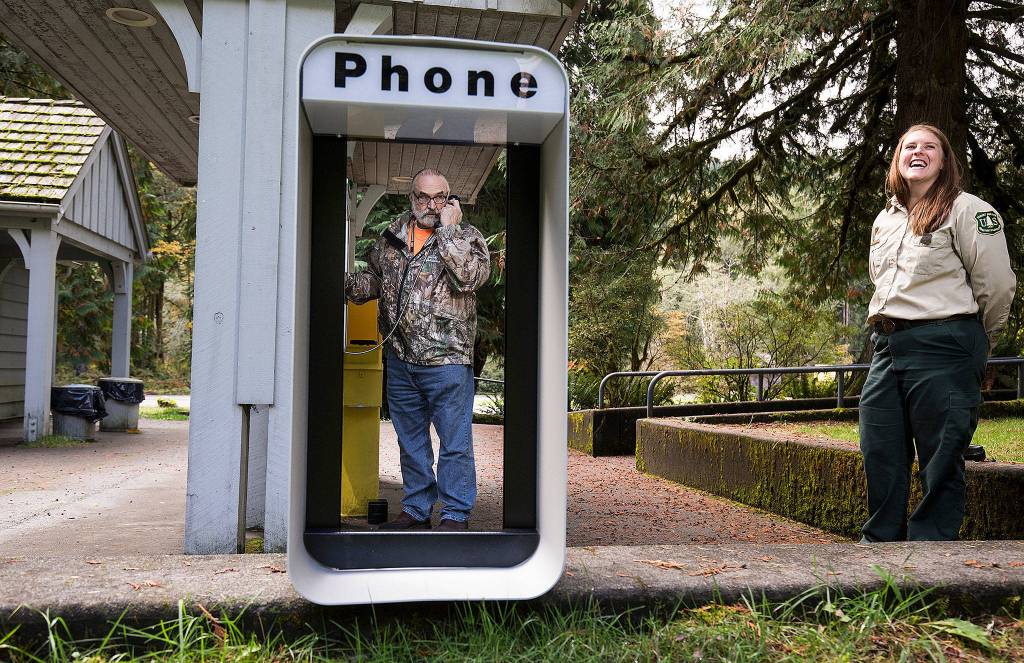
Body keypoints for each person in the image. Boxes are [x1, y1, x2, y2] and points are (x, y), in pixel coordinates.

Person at [860, 123, 1016, 542]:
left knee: (942, 456)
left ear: (944, 161)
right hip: (888, 344)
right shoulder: (886, 218)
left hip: (946, 342)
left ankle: (931, 558)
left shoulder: (968, 210)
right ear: (897, 158)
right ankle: (879, 547)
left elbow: (997, 284)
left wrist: (979, 341)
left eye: (930, 147)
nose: (918, 151)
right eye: (909, 145)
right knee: (879, 448)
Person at [345, 168, 491, 531]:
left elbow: (468, 278)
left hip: (448, 363)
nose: (430, 204)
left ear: (450, 200)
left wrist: (450, 231)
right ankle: (415, 509)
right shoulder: (393, 237)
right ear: (411, 199)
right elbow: (376, 280)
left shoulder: (468, 238)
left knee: (455, 444)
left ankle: (455, 514)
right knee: (411, 442)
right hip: (401, 359)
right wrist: (338, 279)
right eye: (423, 197)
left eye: (439, 197)